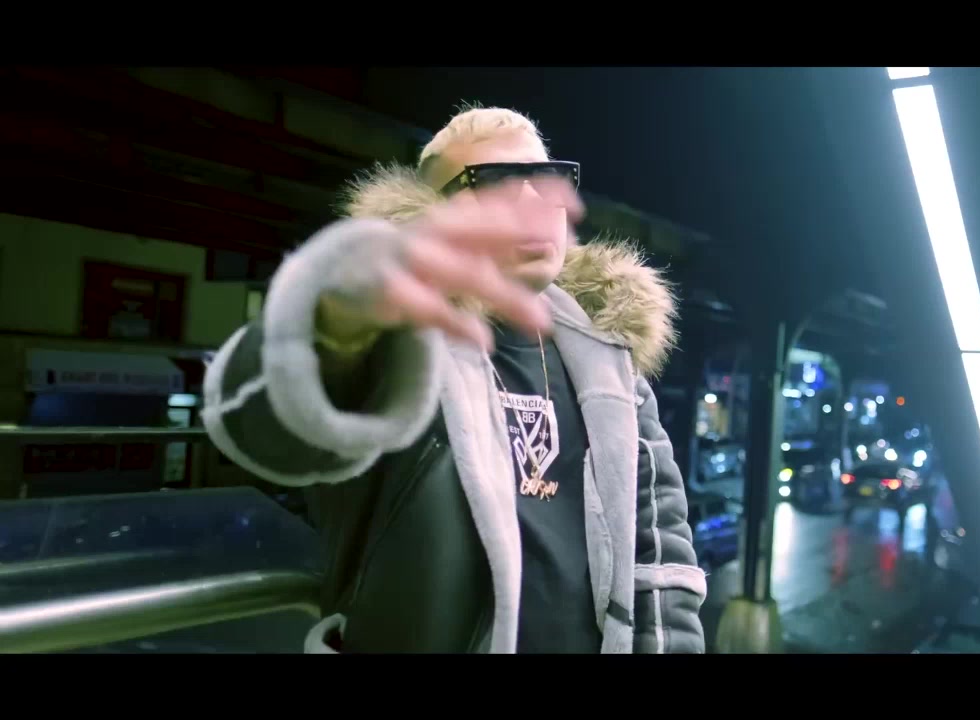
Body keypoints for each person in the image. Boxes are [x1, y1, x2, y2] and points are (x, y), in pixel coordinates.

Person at [201, 105, 706, 654]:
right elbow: (262, 427)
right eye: (496, 182)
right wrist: (332, 326)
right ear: (431, 212)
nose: (534, 202)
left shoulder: (612, 369)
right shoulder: (396, 345)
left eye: (547, 179)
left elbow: (660, 554)